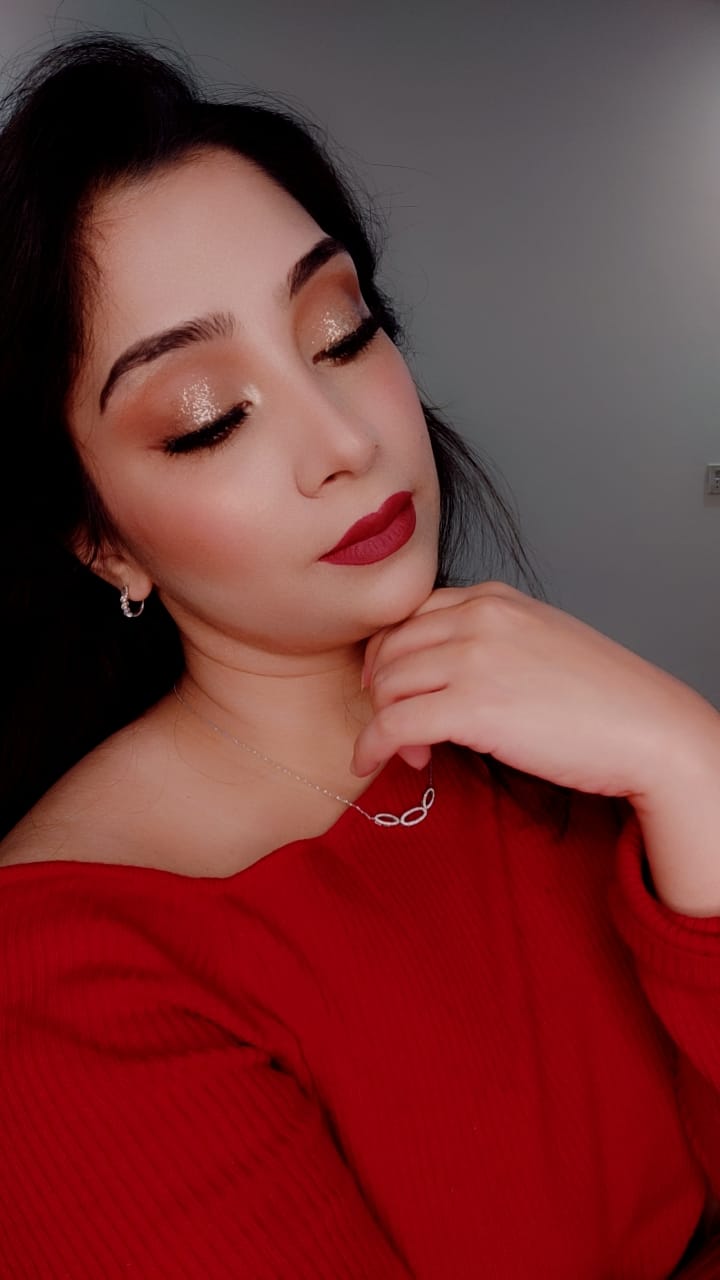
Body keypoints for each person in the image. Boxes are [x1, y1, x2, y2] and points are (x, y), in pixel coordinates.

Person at [0, 32, 719, 1280]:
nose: (345, 438)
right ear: (102, 539)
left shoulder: (551, 728)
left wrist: (693, 764)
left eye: (341, 332)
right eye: (206, 418)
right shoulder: (63, 978)